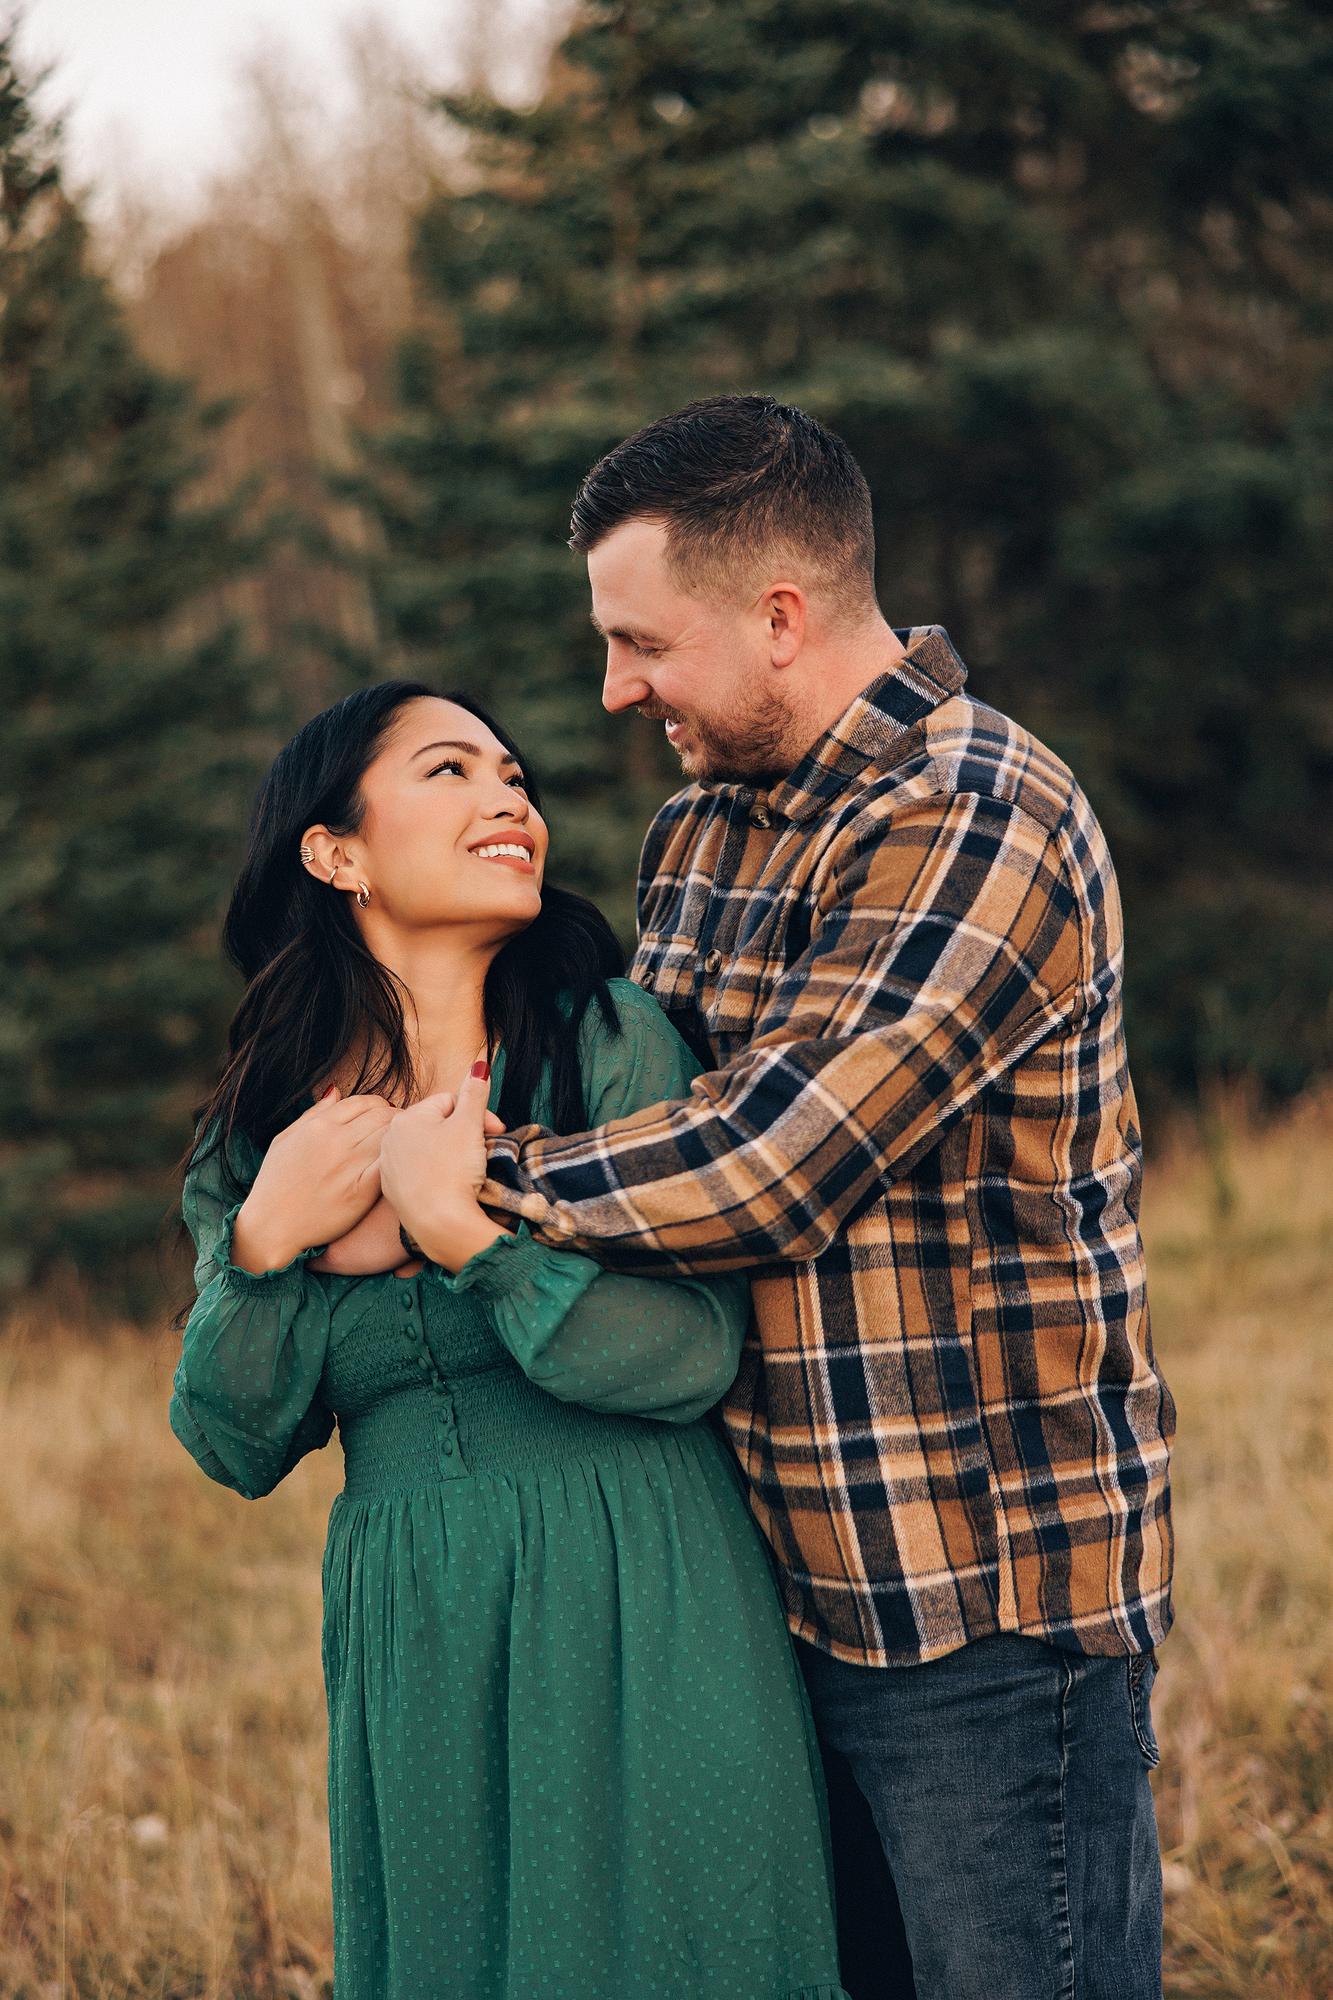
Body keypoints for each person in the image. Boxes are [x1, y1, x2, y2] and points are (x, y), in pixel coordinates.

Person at [391, 396, 1177, 2000]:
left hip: (971, 1607)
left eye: (640, 644)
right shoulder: (698, 832)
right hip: (763, 1588)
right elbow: (641, 1116)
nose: (613, 690)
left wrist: (467, 1180)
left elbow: (770, 1163)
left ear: (777, 617)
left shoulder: (974, 812)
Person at [168, 682, 852, 2000]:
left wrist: (467, 1239)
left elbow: (686, 1356)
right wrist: (263, 1241)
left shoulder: (608, 1044)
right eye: (451, 771)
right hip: (418, 1628)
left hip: (641, 1594)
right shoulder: (266, 1125)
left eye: (516, 777)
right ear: (336, 853)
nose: (509, 800)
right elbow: (232, 1441)